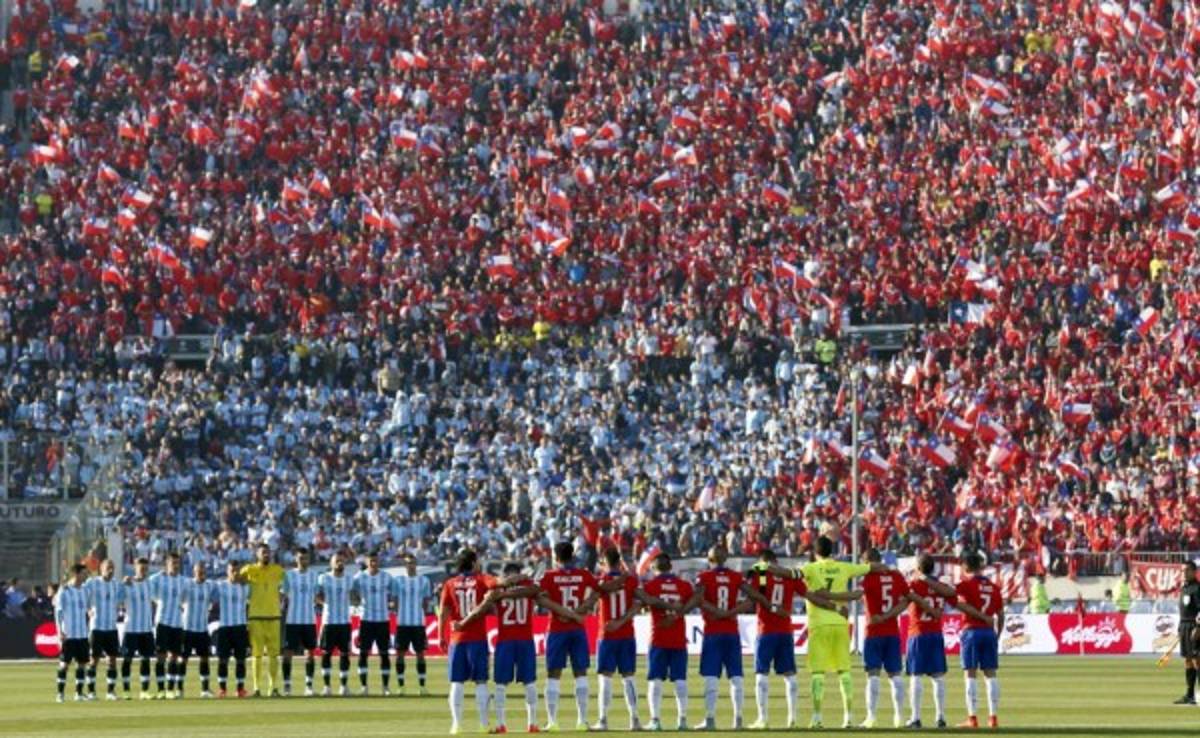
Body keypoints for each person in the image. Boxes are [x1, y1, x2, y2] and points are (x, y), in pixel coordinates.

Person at [458, 561, 582, 734]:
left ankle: (501, 725)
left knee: (500, 685)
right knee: (529, 683)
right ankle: (532, 723)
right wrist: (572, 615)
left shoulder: (497, 593)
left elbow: (480, 610)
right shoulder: (530, 590)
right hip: (525, 641)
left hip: (505, 642)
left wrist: (462, 623)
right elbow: (550, 604)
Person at [797, 536, 887, 728]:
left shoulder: (809, 568)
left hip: (818, 625)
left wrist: (763, 569)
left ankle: (817, 717)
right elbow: (873, 567)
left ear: (815, 552)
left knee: (818, 674)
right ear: (832, 551)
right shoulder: (844, 567)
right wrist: (887, 570)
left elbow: (790, 575)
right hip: (840, 624)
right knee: (844, 672)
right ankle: (848, 718)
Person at [538, 541, 604, 730]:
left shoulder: (549, 576)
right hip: (577, 629)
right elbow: (597, 592)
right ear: (572, 556)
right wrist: (582, 609)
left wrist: (563, 612)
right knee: (580, 673)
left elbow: (539, 597)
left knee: (553, 674)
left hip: (557, 629)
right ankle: (582, 721)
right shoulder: (583, 574)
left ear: (556, 557)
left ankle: (552, 722)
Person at [859, 548, 921, 729]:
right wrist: (889, 616)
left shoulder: (868, 578)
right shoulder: (896, 575)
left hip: (873, 632)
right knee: (895, 675)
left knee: (873, 675)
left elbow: (857, 595)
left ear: (869, 561)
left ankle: (871, 718)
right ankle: (899, 718)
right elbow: (908, 599)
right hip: (892, 632)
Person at [688, 545, 746, 730]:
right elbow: (753, 598)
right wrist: (731, 612)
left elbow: (697, 599)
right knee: (736, 677)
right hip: (731, 631)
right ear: (726, 557)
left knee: (711, 677)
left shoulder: (704, 577)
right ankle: (738, 721)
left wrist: (716, 611)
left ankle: (710, 719)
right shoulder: (736, 577)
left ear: (709, 559)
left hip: (713, 632)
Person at [439, 548, 495, 735]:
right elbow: (496, 584)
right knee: (481, 682)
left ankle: (456, 725)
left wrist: (441, 636)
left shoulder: (449, 583)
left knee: (457, 682)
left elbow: (443, 613)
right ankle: (484, 724)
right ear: (472, 563)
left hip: (457, 639)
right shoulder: (481, 579)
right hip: (477, 639)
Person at [584, 546, 641, 731]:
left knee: (605, 678)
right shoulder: (631, 581)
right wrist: (623, 620)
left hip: (607, 635)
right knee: (629, 678)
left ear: (605, 563)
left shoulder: (601, 582)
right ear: (618, 562)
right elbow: (639, 603)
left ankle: (603, 720)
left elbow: (591, 600)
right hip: (626, 635)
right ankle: (635, 720)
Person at [640, 552, 694, 731]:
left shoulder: (651, 586)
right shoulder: (684, 585)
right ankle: (683, 720)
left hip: (658, 637)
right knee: (680, 680)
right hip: (678, 638)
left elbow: (644, 603)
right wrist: (678, 613)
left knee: (655, 679)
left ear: (654, 568)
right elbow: (694, 600)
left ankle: (655, 720)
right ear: (671, 567)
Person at [955, 551, 1005, 729]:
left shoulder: (965, 585)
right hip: (989, 633)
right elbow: (1000, 615)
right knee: (990, 674)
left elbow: (957, 602)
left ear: (966, 567)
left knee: (970, 674)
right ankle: (993, 718)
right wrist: (997, 634)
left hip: (971, 631)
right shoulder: (994, 587)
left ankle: (972, 718)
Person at [904, 553, 952, 729]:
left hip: (918, 632)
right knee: (938, 677)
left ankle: (915, 718)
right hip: (935, 633)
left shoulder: (914, 584)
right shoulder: (940, 586)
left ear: (918, 567)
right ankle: (940, 717)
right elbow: (950, 593)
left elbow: (903, 598)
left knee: (916, 676)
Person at [240, 542, 285, 697]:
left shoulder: (278, 570)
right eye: (263, 552)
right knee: (257, 654)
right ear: (257, 555)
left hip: (274, 616)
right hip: (256, 617)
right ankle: (257, 688)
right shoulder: (249, 570)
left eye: (268, 552)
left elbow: (286, 587)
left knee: (274, 655)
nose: (266, 554)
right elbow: (236, 579)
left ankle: (273, 688)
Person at [352, 550, 395, 696]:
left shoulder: (386, 577)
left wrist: (391, 603)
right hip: (366, 620)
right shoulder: (360, 577)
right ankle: (364, 687)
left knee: (384, 654)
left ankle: (386, 687)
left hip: (383, 620)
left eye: (376, 561)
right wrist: (356, 601)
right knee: (363, 654)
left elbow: (394, 593)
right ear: (366, 562)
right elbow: (351, 590)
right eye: (371, 561)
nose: (374, 563)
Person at [392, 553, 432, 696]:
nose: (411, 565)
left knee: (420, 654)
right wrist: (399, 613)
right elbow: (395, 600)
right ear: (405, 565)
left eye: (413, 563)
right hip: (403, 623)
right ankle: (401, 686)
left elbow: (426, 601)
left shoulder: (424, 581)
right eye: (408, 563)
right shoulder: (398, 581)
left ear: (416, 564)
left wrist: (422, 614)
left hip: (417, 623)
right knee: (400, 654)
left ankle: (422, 687)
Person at [281, 547, 319, 697]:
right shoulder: (288, 576)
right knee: (287, 653)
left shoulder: (314, 576)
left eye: (306, 558)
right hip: (292, 620)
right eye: (300, 558)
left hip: (309, 620)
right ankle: (287, 685)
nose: (303, 561)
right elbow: (282, 596)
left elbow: (317, 596)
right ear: (296, 559)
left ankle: (309, 686)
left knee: (310, 653)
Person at [149, 552, 187, 699]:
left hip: (177, 622)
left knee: (174, 656)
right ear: (167, 564)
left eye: (178, 563)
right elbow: (146, 584)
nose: (176, 566)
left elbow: (186, 596)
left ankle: (171, 688)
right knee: (160, 656)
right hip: (162, 621)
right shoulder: (158, 578)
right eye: (173, 563)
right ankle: (160, 689)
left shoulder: (183, 581)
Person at [83, 559, 122, 701]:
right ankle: (91, 692)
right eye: (108, 568)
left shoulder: (116, 585)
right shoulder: (92, 583)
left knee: (112, 660)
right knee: (94, 660)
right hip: (97, 627)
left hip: (111, 627)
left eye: (112, 568)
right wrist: (88, 609)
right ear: (101, 568)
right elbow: (82, 596)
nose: (110, 570)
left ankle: (110, 692)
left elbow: (122, 598)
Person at [317, 553, 353, 696]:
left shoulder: (349, 580)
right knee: (326, 654)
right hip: (329, 621)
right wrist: (325, 603)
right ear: (331, 563)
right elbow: (317, 595)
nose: (339, 563)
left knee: (345, 654)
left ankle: (344, 686)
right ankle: (327, 686)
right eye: (336, 561)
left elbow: (355, 595)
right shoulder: (323, 578)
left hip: (345, 622)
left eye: (341, 561)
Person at [54, 564, 91, 703]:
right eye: (84, 573)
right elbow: (58, 612)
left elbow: (86, 608)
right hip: (68, 634)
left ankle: (79, 693)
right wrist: (60, 631)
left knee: (82, 664)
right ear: (76, 574)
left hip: (82, 634)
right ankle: (60, 694)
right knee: (64, 664)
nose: (86, 576)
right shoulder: (64, 590)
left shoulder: (84, 590)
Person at [214, 561, 250, 698]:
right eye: (231, 570)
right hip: (225, 627)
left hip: (240, 627)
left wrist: (245, 579)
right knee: (223, 659)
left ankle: (240, 689)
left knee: (241, 659)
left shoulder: (245, 587)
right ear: (227, 571)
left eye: (236, 570)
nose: (234, 573)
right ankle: (222, 689)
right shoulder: (220, 586)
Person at [120, 557, 155, 700]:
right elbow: (118, 599)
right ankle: (126, 690)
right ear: (135, 568)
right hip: (131, 628)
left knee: (145, 659)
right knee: (127, 660)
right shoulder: (128, 584)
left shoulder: (150, 584)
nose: (144, 572)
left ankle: (144, 691)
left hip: (146, 628)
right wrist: (123, 584)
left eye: (146, 569)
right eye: (141, 569)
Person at [180, 562, 216, 698]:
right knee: (183, 659)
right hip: (187, 628)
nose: (201, 574)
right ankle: (179, 689)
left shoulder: (209, 586)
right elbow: (179, 598)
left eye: (203, 572)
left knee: (204, 659)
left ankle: (205, 689)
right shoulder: (187, 584)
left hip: (202, 628)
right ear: (194, 572)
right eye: (198, 572)